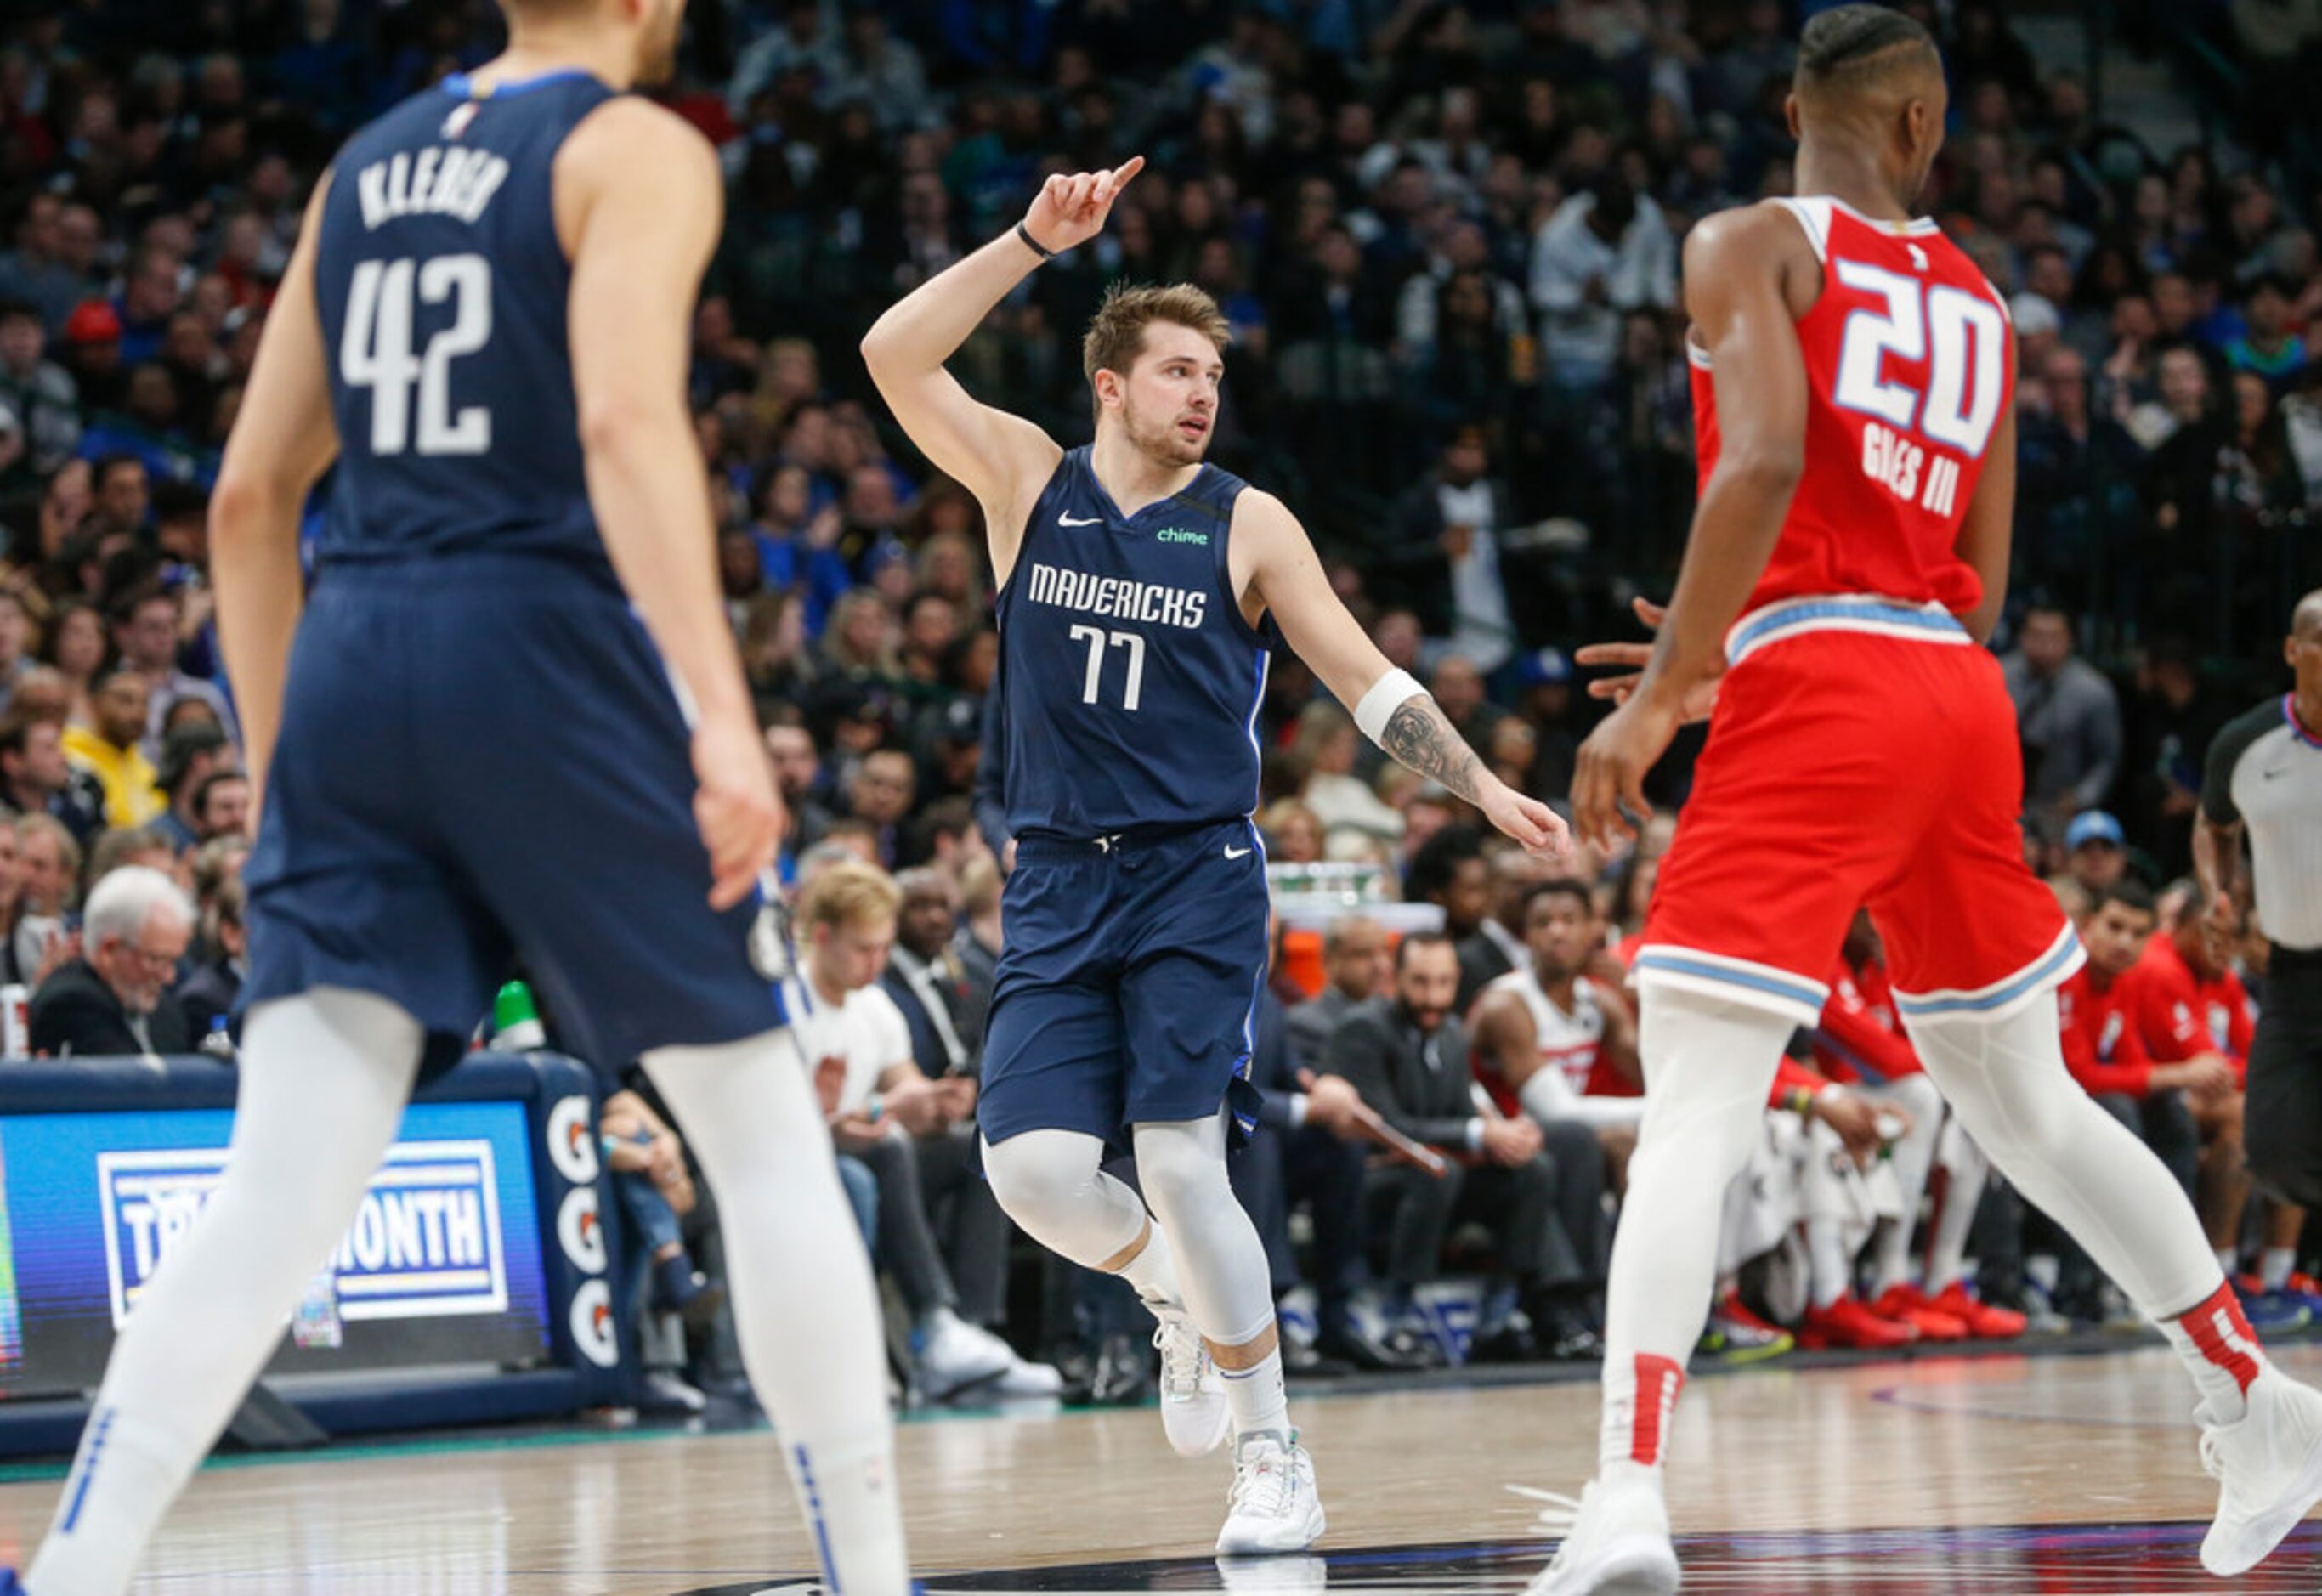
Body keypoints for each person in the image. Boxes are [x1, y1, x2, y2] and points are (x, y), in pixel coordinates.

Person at [15, 4, 914, 1593]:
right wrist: (719, 712)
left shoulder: (361, 166)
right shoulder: (627, 144)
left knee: (277, 1188)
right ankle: (874, 1576)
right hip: (539, 647)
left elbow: (243, 495)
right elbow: (629, 422)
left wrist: (291, 768)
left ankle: (76, 1569)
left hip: (356, 653)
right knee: (764, 1136)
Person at [1551, 11, 2322, 1590]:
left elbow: (1757, 463)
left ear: (1792, 111)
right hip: (1950, 699)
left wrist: (1661, 691)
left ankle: (1626, 1491)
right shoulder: (1978, 295)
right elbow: (1970, 588)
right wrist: (1730, 647)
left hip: (1819, 684)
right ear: (1923, 128)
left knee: (1697, 1099)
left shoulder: (1744, 241)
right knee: (2029, 1105)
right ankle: (2251, 1394)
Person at [862, 157, 1566, 1554]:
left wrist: (1478, 780)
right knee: (1034, 1174)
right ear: (1109, 383)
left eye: (1213, 376)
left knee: (1184, 1161)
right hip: (1058, 873)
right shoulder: (1026, 484)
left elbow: (1362, 676)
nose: (1201, 393)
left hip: (1194, 873)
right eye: (1175, 370)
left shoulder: (1245, 521)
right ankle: (1174, 1296)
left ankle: (1273, 1454)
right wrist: (1029, 239)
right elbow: (890, 351)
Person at [1334, 931, 1608, 1363]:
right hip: (1376, 1180)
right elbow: (1387, 1125)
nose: (1432, 997)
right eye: (1421, 982)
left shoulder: (1452, 1035)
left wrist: (1507, 1137)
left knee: (1535, 1164)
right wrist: (1481, 1135)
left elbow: (1465, 1112)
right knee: (1442, 1170)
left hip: (1442, 1173)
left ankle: (1504, 1314)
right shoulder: (1364, 1030)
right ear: (1396, 977)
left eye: (1444, 984)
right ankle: (1398, 1317)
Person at [2199, 591, 2322, 1224]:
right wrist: (2218, 893)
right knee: (2272, 1152)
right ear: (2293, 650)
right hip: (2293, 975)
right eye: (2321, 640)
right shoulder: (2246, 744)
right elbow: (2214, 825)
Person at [27, 864, 193, 1058]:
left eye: (173, 961)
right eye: (156, 960)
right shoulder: (70, 1004)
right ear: (109, 950)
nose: (169, 977)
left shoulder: (165, 1012)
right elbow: (126, 1084)